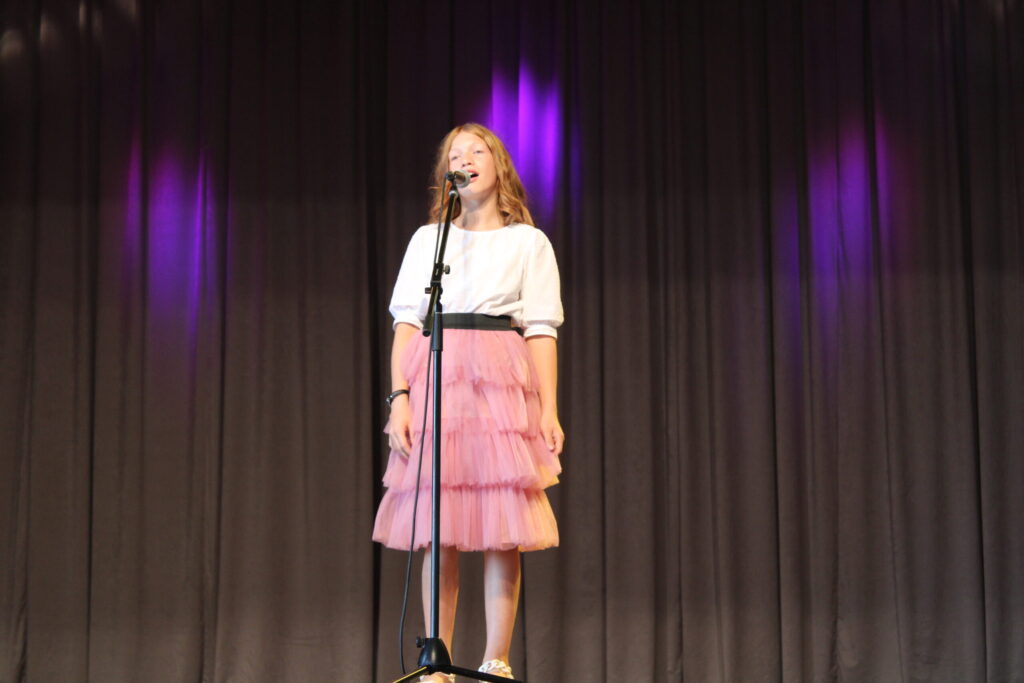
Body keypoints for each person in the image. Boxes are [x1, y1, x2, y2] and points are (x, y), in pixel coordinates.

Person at [372, 123, 565, 682]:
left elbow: (541, 329)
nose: (465, 159)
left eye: (477, 150)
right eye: (455, 155)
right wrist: (400, 398)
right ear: (447, 174)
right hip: (439, 377)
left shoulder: (528, 242)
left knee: (504, 521)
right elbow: (406, 324)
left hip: (499, 381)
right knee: (440, 525)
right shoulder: (428, 240)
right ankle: (438, 666)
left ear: (498, 163)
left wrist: (548, 408)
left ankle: (496, 660)